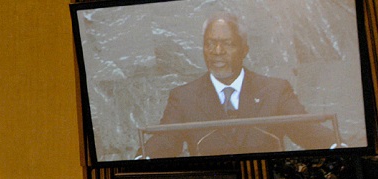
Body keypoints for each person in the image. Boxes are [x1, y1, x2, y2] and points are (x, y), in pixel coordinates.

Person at [141, 12, 339, 158]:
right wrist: (142, 159)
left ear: (244, 50)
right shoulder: (184, 97)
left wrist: (338, 147)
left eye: (227, 44)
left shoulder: (275, 91)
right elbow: (164, 142)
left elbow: (307, 131)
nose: (217, 51)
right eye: (210, 44)